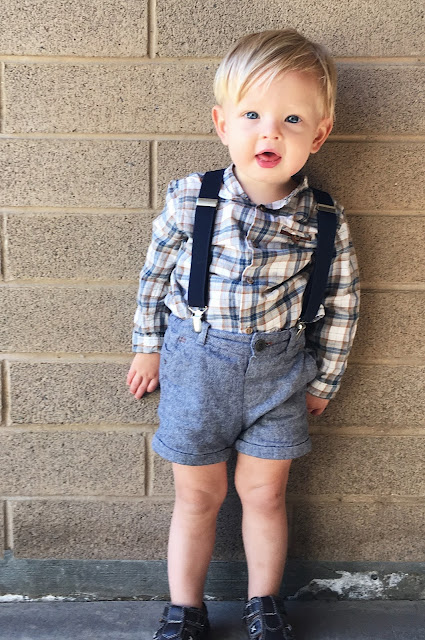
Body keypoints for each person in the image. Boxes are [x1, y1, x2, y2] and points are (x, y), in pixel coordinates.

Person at [127, 28, 360, 640]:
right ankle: (186, 608)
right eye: (252, 115)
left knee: (264, 495)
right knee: (197, 497)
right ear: (222, 123)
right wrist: (147, 348)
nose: (270, 133)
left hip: (280, 376)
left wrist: (325, 382)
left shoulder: (325, 219)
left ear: (319, 134)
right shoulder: (193, 199)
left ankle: (264, 602)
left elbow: (343, 304)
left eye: (291, 119)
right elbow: (154, 278)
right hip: (195, 366)